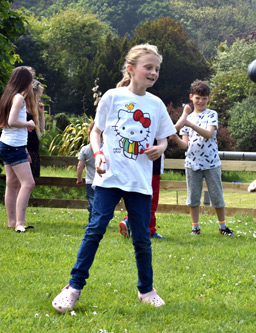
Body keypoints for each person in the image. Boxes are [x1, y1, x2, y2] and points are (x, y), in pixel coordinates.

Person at [52, 44, 176, 313]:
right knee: (95, 229)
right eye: (148, 67)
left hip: (140, 183)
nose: (153, 72)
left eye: (157, 68)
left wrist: (161, 148)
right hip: (108, 178)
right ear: (131, 69)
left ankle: (147, 290)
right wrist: (97, 155)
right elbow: (95, 132)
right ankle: (73, 288)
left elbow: (165, 138)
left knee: (142, 237)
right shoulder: (112, 97)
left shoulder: (155, 105)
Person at [178, 80, 233, 236]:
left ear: (208, 98)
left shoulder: (211, 114)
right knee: (193, 198)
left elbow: (208, 134)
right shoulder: (185, 118)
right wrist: (175, 138)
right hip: (191, 163)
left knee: (217, 196)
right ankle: (195, 227)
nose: (201, 101)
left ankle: (222, 227)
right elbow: (184, 145)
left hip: (211, 163)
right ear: (191, 97)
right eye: (197, 98)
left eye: (204, 98)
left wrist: (189, 123)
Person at [0, 66, 36, 233]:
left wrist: (23, 126)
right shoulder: (19, 98)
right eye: (30, 80)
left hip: (6, 144)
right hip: (14, 146)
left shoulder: (8, 96)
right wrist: (28, 124)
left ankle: (11, 221)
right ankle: (19, 223)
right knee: (28, 183)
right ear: (25, 81)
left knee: (12, 183)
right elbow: (12, 121)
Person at [119, 139, 167, 239]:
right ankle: (146, 229)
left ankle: (129, 221)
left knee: (137, 198)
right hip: (152, 167)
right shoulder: (156, 124)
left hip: (137, 167)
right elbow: (166, 132)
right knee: (152, 201)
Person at [76, 121, 98, 229]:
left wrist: (79, 179)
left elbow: (80, 166)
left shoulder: (85, 149)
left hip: (90, 181)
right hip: (102, 181)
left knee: (92, 202)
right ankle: (95, 222)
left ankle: (92, 223)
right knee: (97, 202)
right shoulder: (104, 148)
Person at [27, 79, 45, 177]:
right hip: (27, 149)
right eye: (38, 96)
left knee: (31, 181)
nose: (39, 99)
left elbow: (41, 128)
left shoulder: (34, 110)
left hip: (34, 150)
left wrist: (41, 113)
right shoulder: (24, 110)